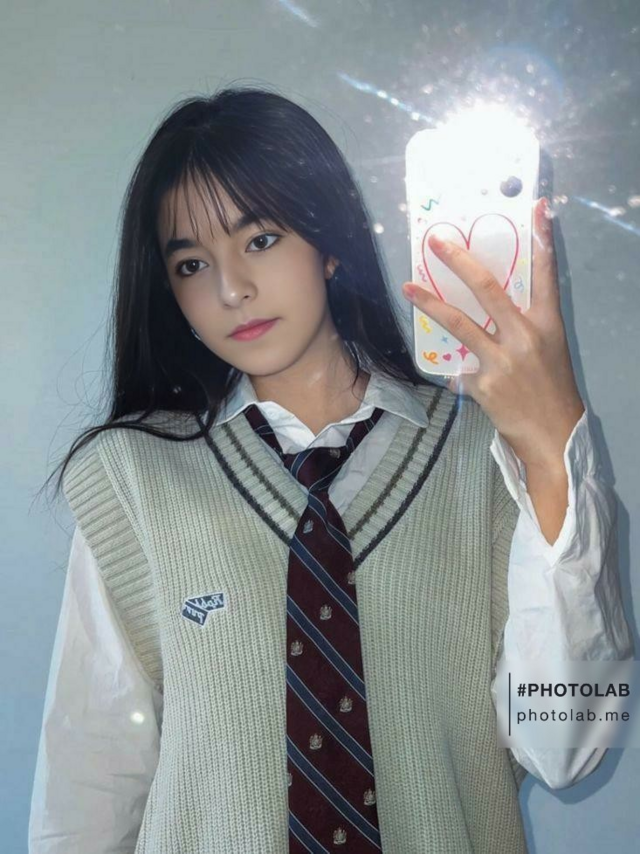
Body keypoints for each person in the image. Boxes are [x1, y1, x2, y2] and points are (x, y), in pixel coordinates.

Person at [29, 85, 633, 854]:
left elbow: (568, 746)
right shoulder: (137, 478)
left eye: (260, 239)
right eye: (191, 263)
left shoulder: (484, 457)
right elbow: (90, 778)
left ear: (331, 241)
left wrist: (551, 449)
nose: (230, 289)